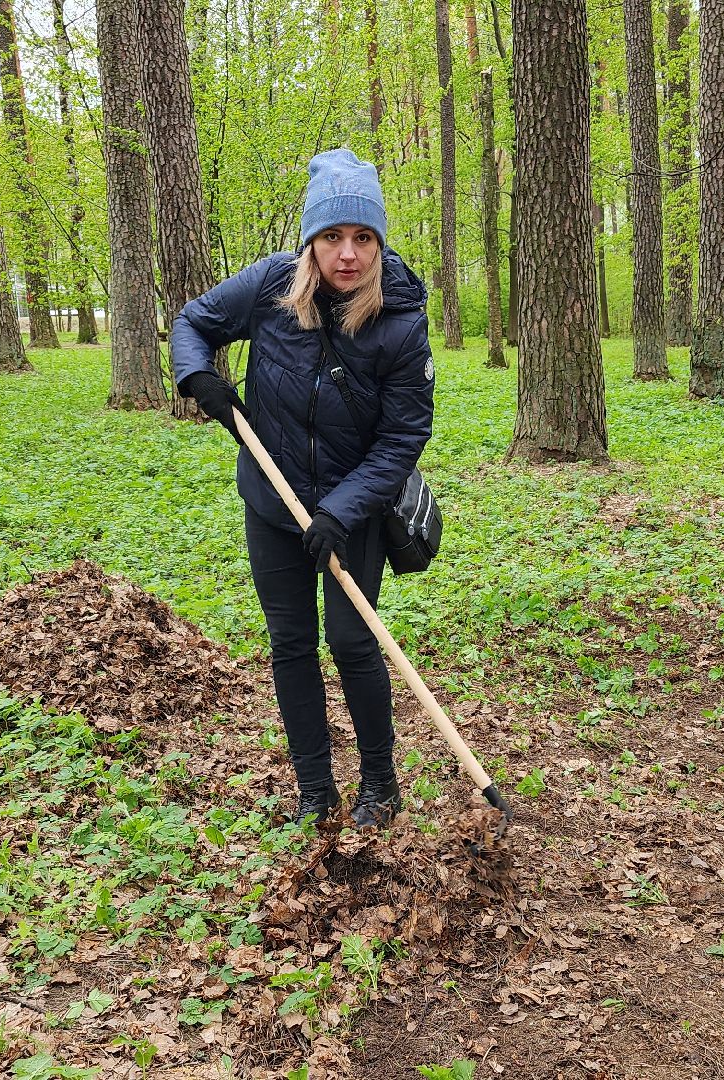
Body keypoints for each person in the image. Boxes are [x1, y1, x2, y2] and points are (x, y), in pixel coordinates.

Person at [170, 149, 435, 829]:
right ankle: (315, 789)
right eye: (332, 237)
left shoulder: (401, 318)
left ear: (379, 241)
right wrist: (199, 377)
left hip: (356, 507)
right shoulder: (268, 287)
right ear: (310, 241)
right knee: (291, 642)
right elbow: (193, 322)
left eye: (362, 238)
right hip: (273, 498)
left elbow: (403, 438)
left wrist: (340, 511)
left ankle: (381, 784)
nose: (347, 254)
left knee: (352, 640)